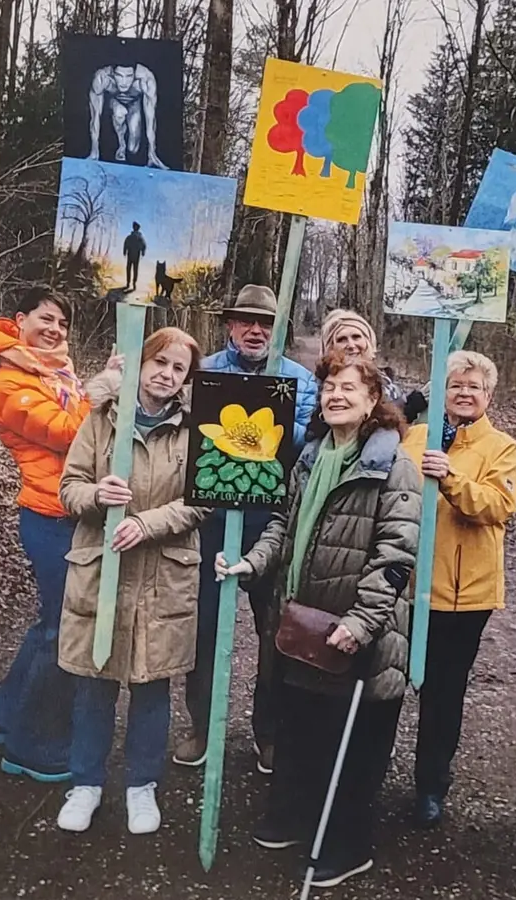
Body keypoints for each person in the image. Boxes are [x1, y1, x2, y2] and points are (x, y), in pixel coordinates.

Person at [215, 353, 419, 888]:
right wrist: (252, 562)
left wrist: (362, 621)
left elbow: (397, 556)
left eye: (349, 388)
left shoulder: (393, 467)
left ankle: (349, 846)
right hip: (304, 624)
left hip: (357, 633)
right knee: (303, 728)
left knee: (351, 746)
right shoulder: (310, 455)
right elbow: (283, 524)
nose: (335, 396)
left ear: (374, 400)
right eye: (329, 387)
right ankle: (296, 818)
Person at [53, 327, 208, 834]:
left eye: (178, 368)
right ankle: (86, 783)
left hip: (164, 573)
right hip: (102, 568)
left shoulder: (196, 429)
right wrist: (98, 495)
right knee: (95, 681)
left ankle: (143, 785)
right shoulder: (102, 420)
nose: (166, 374)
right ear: (140, 364)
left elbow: (203, 498)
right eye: (159, 362)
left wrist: (148, 522)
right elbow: (69, 487)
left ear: (187, 379)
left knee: (152, 684)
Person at [176, 285, 318, 775]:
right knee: (207, 628)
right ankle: (202, 725)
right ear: (231, 326)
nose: (256, 331)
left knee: (275, 632)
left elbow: (306, 441)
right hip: (212, 521)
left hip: (273, 521)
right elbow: (184, 430)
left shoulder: (298, 379)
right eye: (246, 322)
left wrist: (266, 415)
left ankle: (270, 732)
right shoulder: (205, 370)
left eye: (266, 323)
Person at [0, 288, 92, 782]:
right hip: (49, 513)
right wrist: (104, 398)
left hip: (62, 510)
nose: (55, 329)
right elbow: (70, 433)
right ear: (20, 320)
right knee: (62, 628)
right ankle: (32, 747)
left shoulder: (51, 370)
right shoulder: (10, 382)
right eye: (45, 318)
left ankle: (6, 720)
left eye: (62, 322)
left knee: (49, 623)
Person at [399, 350, 516, 828]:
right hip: (406, 586)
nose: (465, 394)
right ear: (442, 392)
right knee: (388, 683)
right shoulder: (414, 438)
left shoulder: (503, 449)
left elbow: (497, 505)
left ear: (489, 396)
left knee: (444, 692)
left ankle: (431, 784)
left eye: (474, 387)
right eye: (456, 385)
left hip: (462, 593)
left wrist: (449, 476)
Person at [319, 309, 407, 407]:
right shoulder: (321, 388)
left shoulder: (385, 381)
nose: (351, 345)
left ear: (368, 341)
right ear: (330, 347)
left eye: (356, 337)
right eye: (342, 339)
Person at [123, 222, 147, 291]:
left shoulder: (130, 237)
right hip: (136, 255)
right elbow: (144, 245)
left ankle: (128, 283)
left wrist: (125, 251)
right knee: (135, 270)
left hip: (130, 255)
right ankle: (133, 283)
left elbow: (125, 244)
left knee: (129, 269)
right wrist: (143, 252)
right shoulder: (140, 237)